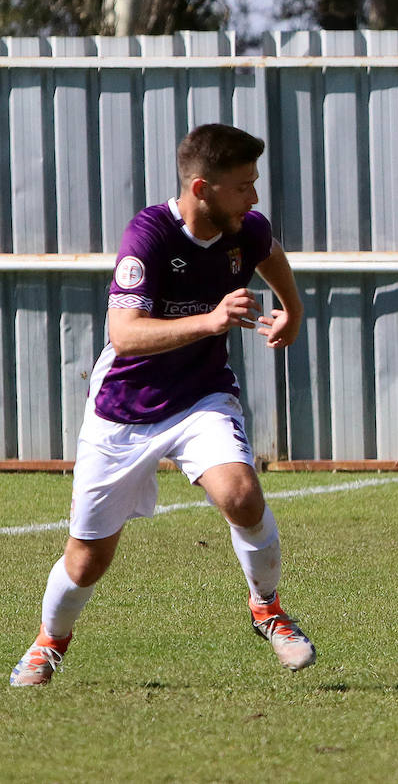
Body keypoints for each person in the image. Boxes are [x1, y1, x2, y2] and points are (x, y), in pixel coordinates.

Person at [10, 123, 315, 686]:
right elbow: (124, 335)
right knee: (86, 561)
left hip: (202, 396)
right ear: (202, 189)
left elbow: (269, 252)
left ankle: (267, 608)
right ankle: (49, 642)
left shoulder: (245, 228)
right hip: (124, 410)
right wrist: (213, 319)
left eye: (255, 184)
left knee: (242, 496)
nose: (253, 197)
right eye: (243, 186)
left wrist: (292, 310)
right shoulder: (149, 235)